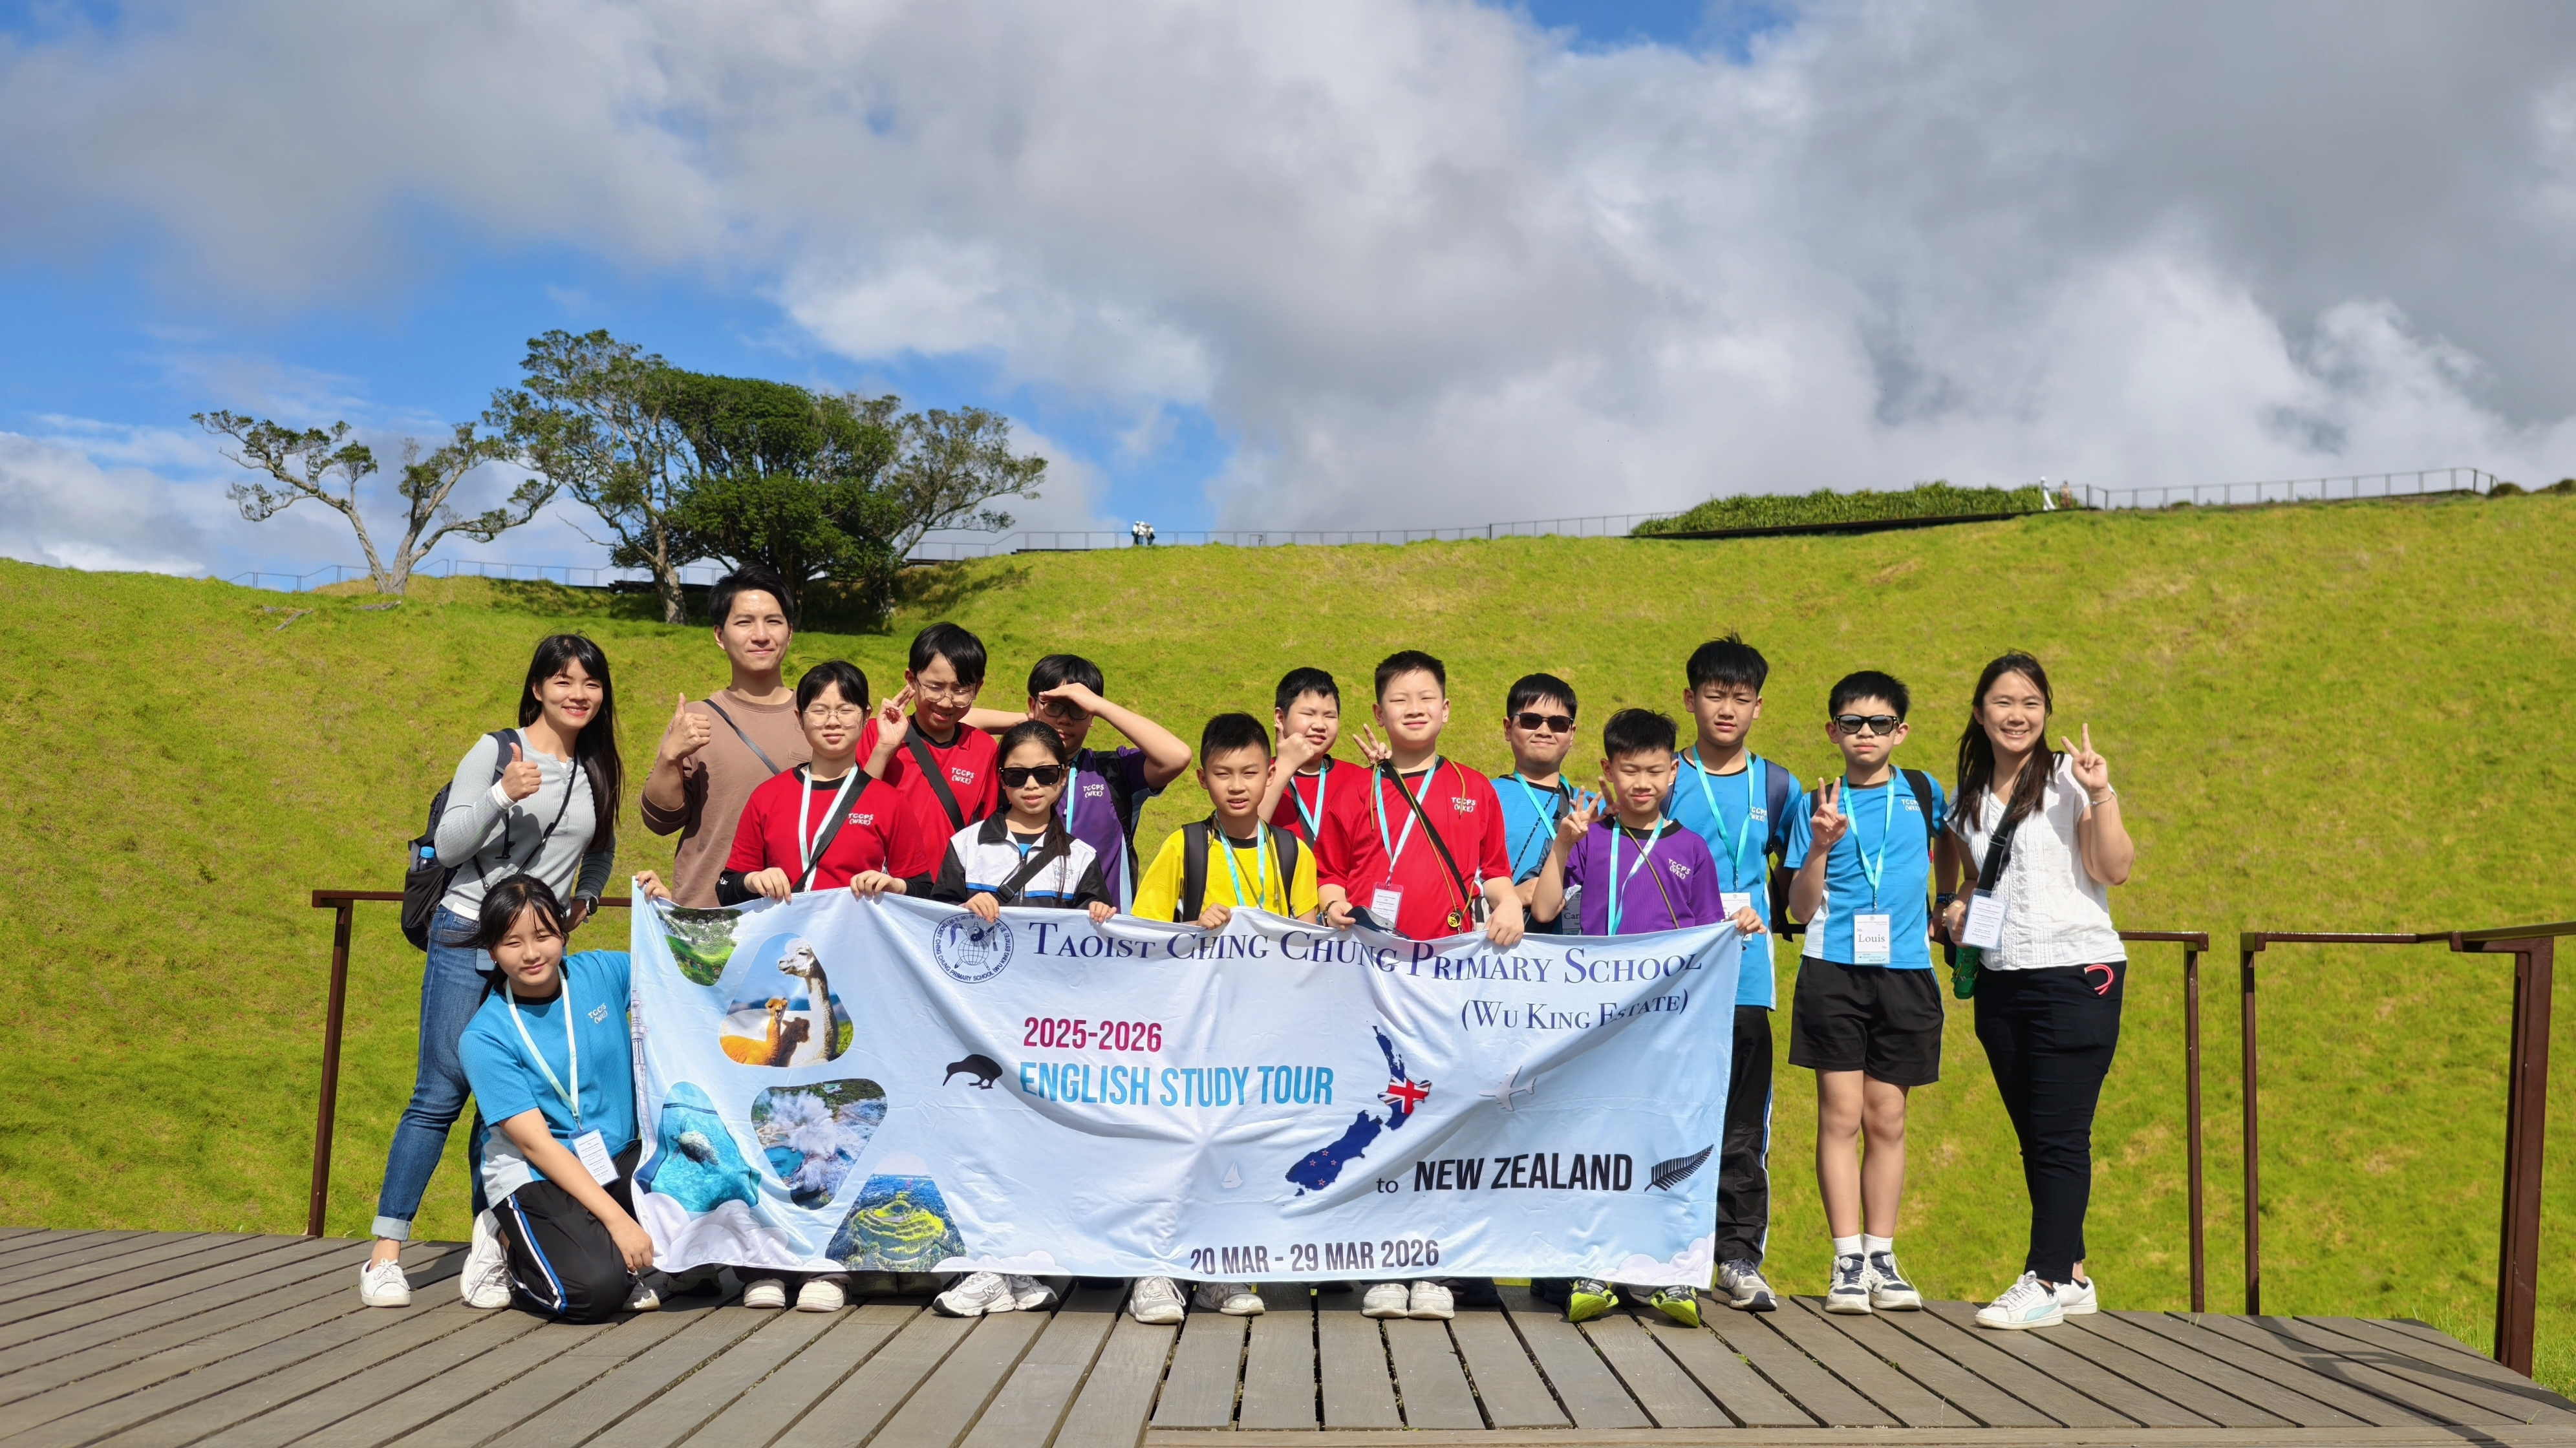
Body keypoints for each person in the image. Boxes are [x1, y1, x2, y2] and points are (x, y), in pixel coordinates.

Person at [362, 634, 624, 1307]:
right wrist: (504, 794)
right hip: (466, 933)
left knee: (509, 1107)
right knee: (440, 1093)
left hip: (536, 948)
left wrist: (587, 898)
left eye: (590, 682)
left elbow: (600, 848)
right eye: (562, 680)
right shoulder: (496, 751)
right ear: (537, 687)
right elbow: (449, 843)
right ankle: (385, 1253)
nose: (577, 694)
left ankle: (496, 1246)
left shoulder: (596, 766)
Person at [1941, 654, 2135, 1330]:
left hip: (2076, 973)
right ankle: (2073, 1271)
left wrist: (2101, 792)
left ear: (2047, 710)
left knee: (2060, 1134)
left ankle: (2045, 1277)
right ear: (1979, 712)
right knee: (2036, 1134)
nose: (2017, 715)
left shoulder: (2069, 778)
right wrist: (1955, 906)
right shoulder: (1968, 796)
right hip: (2002, 978)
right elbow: (1975, 877)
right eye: (2003, 702)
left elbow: (2113, 868)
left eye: (2030, 702)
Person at [1527, 708, 1731, 1326]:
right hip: (1597, 1027)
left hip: (1667, 1029)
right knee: (1597, 1142)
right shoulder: (1590, 839)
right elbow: (1543, 909)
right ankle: (1594, 1266)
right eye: (1630, 770)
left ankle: (1668, 1272)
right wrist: (1564, 843)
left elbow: (1707, 939)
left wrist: (1739, 927)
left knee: (1666, 1142)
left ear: (1674, 773)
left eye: (1654, 771)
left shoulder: (1691, 849)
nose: (1642, 783)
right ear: (1607, 771)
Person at [1125, 712, 1322, 1326]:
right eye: (1223, 774)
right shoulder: (1183, 846)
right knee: (1178, 1145)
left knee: (1241, 1149)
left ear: (1271, 774)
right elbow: (1141, 938)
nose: (1237, 786)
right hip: (1192, 1029)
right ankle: (1156, 1271)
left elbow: (1307, 944)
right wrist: (1192, 927)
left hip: (1263, 1032)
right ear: (1203, 780)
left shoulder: (1292, 852)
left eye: (1249, 773)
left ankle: (1221, 1267)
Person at [1352, 649, 1527, 1324]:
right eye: (1400, 699)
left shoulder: (1473, 788)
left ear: (1448, 709)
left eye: (1427, 697)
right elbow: (1332, 872)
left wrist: (1508, 906)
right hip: (1370, 982)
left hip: (1450, 983)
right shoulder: (1357, 788)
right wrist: (1334, 901)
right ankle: (1380, 1262)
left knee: (1444, 1117)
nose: (1415, 708)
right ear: (1379, 713)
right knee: (1379, 1115)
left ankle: (1432, 1262)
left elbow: (1494, 872)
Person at [929, 720, 1118, 1319]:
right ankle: (989, 1265)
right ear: (1001, 779)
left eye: (1045, 774)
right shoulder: (965, 846)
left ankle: (1016, 1266)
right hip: (977, 1025)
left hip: (1048, 1033)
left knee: (1034, 1144)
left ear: (1063, 779)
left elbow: (1095, 951)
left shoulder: (1082, 857)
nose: (1031, 785)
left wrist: (1100, 913)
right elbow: (927, 930)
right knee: (979, 1142)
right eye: (1017, 775)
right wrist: (963, 906)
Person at [1785, 670, 1952, 1317]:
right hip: (1833, 971)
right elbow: (1801, 909)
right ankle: (1847, 1259)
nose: (1865, 734)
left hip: (1906, 970)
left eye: (1879, 723)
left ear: (1900, 731)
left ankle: (1882, 1255)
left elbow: (1951, 847)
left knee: (1888, 1117)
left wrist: (1951, 898)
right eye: (1852, 722)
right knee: (1841, 1115)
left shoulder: (1924, 791)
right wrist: (1820, 846)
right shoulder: (1816, 802)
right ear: (1833, 731)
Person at [453, 872, 673, 1319]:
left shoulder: (600, 973)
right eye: (512, 942)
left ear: (563, 932)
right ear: (492, 950)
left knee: (704, 1177)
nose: (532, 954)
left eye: (543, 936)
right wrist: (617, 1222)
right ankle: (506, 1243)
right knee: (593, 1292)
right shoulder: (484, 1038)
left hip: (615, 1155)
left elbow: (677, 971)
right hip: (538, 1172)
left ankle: (604, 1250)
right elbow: (538, 1146)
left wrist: (669, 915)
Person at [1664, 634, 1801, 1314]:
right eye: (1714, 695)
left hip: (1746, 980)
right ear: (1689, 699)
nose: (1726, 709)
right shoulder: (1664, 774)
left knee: (1744, 1127)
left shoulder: (1778, 786)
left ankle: (1739, 1256)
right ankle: (1663, 1252)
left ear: (1758, 707)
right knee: (1665, 1116)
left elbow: (1798, 886)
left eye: (1740, 698)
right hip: (1669, 982)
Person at [639, 569, 812, 908]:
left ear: (790, 633)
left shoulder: (820, 720)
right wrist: (670, 757)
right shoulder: (696, 720)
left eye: (774, 622)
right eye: (744, 622)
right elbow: (659, 821)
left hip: (802, 914)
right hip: (712, 915)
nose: (761, 635)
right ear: (720, 635)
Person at [964, 654, 1190, 911]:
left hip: (1096, 930)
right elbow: (955, 721)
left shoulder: (1114, 771)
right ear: (1033, 704)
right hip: (1015, 927)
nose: (1065, 719)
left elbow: (1177, 756)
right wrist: (1035, 719)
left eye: (1078, 708)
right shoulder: (1009, 770)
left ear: (1092, 715)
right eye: (1055, 706)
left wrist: (1100, 706)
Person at [716, 661, 913, 909]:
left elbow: (923, 888)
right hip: (788, 933)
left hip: (857, 933)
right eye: (819, 711)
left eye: (845, 710)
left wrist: (895, 887)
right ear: (800, 718)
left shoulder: (890, 802)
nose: (832, 721)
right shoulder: (767, 796)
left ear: (865, 717)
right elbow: (726, 887)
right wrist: (753, 881)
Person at [854, 623, 1002, 879]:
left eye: (960, 690)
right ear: (911, 680)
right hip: (885, 887)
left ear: (977, 688)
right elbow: (855, 814)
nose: (946, 702)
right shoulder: (877, 735)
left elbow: (989, 830)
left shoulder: (985, 748)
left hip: (951, 890)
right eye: (934, 687)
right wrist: (884, 750)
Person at [1258, 667, 1372, 927]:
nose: (1320, 725)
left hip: (1342, 917)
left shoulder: (1357, 778)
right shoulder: (1258, 773)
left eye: (1330, 716)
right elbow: (1244, 831)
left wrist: (1388, 780)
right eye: (1308, 714)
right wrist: (1285, 766)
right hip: (1276, 916)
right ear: (1280, 717)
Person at [1493, 674, 1598, 937]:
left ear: (1572, 734)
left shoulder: (1595, 807)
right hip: (1500, 941)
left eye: (1558, 723)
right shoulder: (1484, 794)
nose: (1544, 731)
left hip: (1574, 949)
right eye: (1531, 720)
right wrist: (1510, 897)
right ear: (1508, 728)